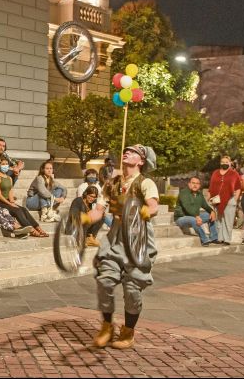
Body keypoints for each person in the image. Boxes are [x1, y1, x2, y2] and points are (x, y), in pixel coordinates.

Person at [88, 144, 159, 350]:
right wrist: (82, 218)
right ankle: (107, 325)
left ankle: (128, 331)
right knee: (105, 282)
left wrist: (146, 212)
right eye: (126, 150)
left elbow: (153, 205)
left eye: (134, 152)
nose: (127, 152)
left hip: (138, 238)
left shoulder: (145, 183)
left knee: (132, 289)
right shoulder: (112, 183)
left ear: (141, 161)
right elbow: (99, 211)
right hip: (115, 238)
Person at [0, 156, 48, 238]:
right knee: (17, 211)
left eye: (6, 164)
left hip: (8, 201)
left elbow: (10, 191)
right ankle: (32, 230)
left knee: (23, 209)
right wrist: (10, 204)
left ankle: (38, 228)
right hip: (1, 202)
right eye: (3, 164)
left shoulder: (9, 178)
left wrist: (12, 201)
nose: (5, 166)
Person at [173, 176, 217, 246]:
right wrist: (196, 216)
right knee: (194, 220)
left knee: (210, 215)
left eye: (197, 183)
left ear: (199, 185)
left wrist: (212, 211)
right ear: (189, 184)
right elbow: (187, 208)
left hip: (194, 216)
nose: (195, 185)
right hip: (181, 218)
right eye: (193, 183)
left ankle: (214, 237)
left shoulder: (199, 194)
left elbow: (205, 205)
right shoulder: (184, 193)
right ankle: (204, 240)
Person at [208, 155, 242, 245]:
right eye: (223, 162)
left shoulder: (234, 174)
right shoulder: (215, 172)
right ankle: (220, 238)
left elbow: (238, 187)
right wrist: (209, 197)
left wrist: (235, 199)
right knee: (218, 220)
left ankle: (227, 239)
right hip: (216, 200)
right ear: (220, 163)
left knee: (228, 220)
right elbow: (211, 186)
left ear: (230, 163)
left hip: (229, 199)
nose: (224, 163)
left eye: (226, 162)